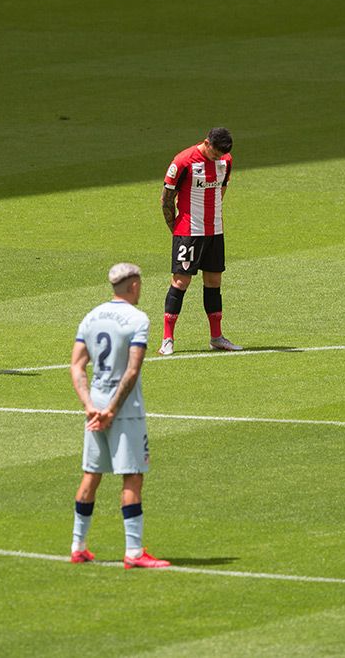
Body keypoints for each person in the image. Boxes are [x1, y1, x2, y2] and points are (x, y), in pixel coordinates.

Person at [68, 263, 169, 569]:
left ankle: (78, 545)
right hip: (124, 411)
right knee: (132, 475)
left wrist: (90, 405)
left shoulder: (92, 316)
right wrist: (112, 409)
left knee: (91, 474)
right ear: (134, 285)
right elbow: (133, 369)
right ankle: (134, 552)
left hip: (95, 405)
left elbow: (76, 366)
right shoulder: (137, 319)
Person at [158, 127, 242, 355]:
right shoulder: (183, 161)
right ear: (206, 143)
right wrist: (175, 230)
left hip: (214, 230)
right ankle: (167, 339)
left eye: (221, 155)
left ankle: (216, 337)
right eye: (214, 153)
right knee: (180, 283)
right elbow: (166, 198)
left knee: (214, 283)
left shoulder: (226, 160)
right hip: (188, 231)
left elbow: (221, 191)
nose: (218, 158)